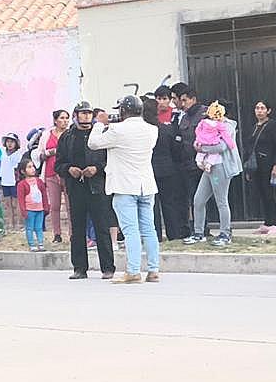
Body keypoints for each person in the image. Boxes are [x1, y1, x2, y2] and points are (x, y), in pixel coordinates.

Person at [89, 95, 160, 284]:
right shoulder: (152, 130)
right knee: (149, 229)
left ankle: (133, 270)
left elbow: (93, 143)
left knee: (130, 230)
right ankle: (153, 270)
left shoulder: (117, 130)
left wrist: (99, 124)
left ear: (122, 111)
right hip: (146, 185)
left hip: (125, 186)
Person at [57, 101, 116, 279]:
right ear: (76, 115)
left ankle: (107, 268)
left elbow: (110, 160)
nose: (86, 116)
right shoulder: (67, 137)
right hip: (76, 187)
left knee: (102, 228)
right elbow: (58, 163)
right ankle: (80, 268)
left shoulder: (100, 134)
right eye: (82, 113)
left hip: (97, 187)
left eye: (89, 113)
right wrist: (69, 169)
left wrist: (97, 169)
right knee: (78, 229)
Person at [183, 100, 239, 248]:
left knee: (221, 200)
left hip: (221, 166)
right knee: (198, 199)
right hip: (209, 167)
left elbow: (221, 146)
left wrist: (202, 149)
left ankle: (225, 233)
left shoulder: (228, 126)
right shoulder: (207, 123)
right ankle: (198, 232)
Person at [143, 96, 187, 240]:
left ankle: (155, 235)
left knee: (152, 206)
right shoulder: (166, 129)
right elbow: (176, 149)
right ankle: (173, 234)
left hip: (149, 171)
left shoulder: (143, 132)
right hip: (168, 169)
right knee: (169, 203)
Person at [248, 101, 276, 235]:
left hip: (269, 164)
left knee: (270, 193)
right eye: (257, 108)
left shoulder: (273, 126)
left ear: (268, 111)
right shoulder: (254, 127)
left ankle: (274, 223)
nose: (259, 111)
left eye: (262, 108)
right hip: (256, 166)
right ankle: (267, 222)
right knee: (262, 193)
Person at [173, 86, 207, 231]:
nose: (183, 103)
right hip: (188, 164)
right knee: (194, 198)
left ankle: (211, 228)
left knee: (207, 198)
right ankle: (199, 228)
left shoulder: (205, 114)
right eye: (180, 100)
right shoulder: (184, 117)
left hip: (204, 163)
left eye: (185, 100)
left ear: (193, 99)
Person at [40, 109, 71, 244]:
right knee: (55, 205)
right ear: (55, 120)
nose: (64, 121)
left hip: (67, 173)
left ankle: (72, 233)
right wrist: (51, 152)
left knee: (71, 206)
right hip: (51, 173)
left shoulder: (71, 134)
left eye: (66, 118)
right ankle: (57, 233)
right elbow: (39, 154)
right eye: (62, 118)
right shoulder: (47, 134)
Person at [193, 102, 236, 173]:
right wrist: (231, 145)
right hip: (212, 141)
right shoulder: (220, 125)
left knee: (201, 153)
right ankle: (209, 164)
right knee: (214, 154)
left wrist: (198, 138)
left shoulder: (203, 121)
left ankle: (199, 160)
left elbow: (197, 129)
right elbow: (224, 139)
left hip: (202, 140)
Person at [18, 158, 46, 251]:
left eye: (33, 166)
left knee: (39, 227)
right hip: (29, 209)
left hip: (39, 209)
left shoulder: (39, 181)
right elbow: (21, 199)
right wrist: (23, 210)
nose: (33, 169)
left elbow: (44, 194)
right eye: (29, 167)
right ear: (23, 171)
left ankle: (41, 243)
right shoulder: (22, 184)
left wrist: (46, 206)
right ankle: (32, 244)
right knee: (29, 228)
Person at [0, 132, 26, 227]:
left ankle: (19, 223)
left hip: (15, 182)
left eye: (12, 142)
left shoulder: (19, 155)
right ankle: (11, 223)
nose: (10, 144)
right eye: (8, 141)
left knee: (17, 203)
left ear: (16, 143)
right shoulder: (2, 154)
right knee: (8, 204)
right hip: (5, 181)